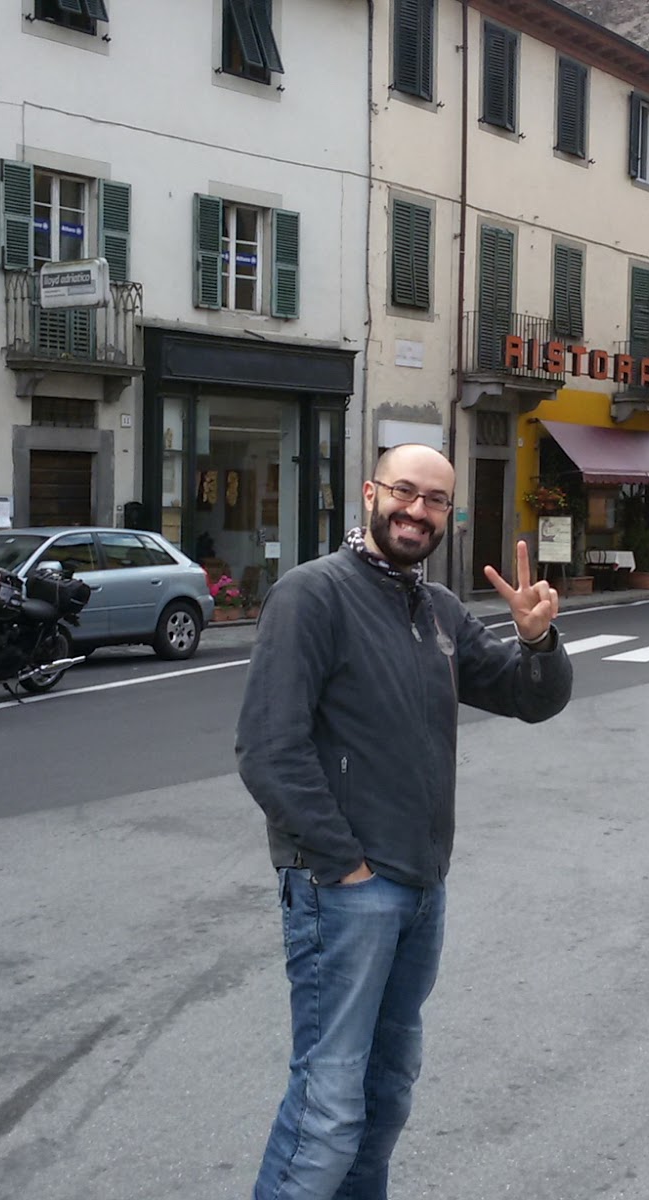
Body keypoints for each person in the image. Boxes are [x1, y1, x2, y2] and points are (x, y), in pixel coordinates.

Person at [236, 443, 573, 1200]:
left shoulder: (437, 608)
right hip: (344, 890)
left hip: (421, 888)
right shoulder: (312, 595)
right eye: (405, 492)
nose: (418, 511)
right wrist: (343, 865)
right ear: (370, 493)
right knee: (328, 1107)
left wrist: (535, 640)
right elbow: (269, 748)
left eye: (436, 500)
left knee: (386, 1094)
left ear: (449, 514)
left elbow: (529, 697)